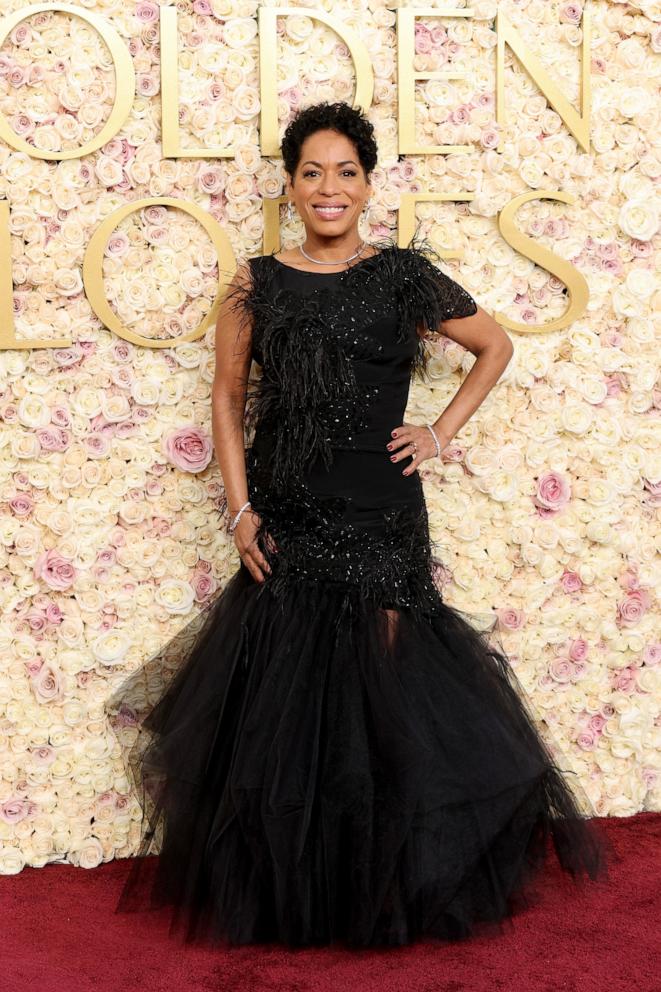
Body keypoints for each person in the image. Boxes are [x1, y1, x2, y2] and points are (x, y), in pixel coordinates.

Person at [105, 101, 610, 949]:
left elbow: (494, 346)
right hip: (288, 514)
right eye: (311, 172)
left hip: (380, 514)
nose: (328, 187)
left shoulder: (405, 277)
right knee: (289, 704)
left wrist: (439, 433)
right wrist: (239, 508)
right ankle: (296, 889)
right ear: (291, 187)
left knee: (381, 697)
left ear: (369, 185)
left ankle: (383, 881)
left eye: (345, 172)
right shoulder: (255, 285)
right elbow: (228, 399)